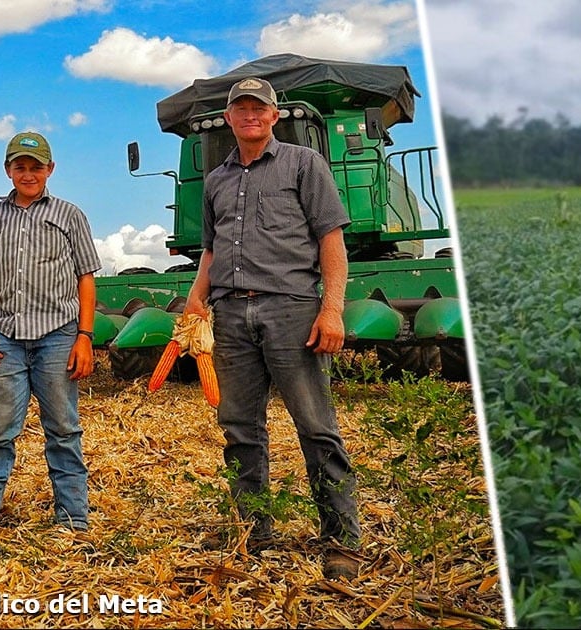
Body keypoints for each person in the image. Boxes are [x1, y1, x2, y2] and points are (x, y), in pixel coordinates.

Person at [182, 77, 363, 580]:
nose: (250, 115)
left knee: (316, 428)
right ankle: (255, 533)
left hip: (292, 310)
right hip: (233, 315)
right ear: (230, 117)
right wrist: (198, 298)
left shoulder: (304, 165)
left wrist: (332, 309)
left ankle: (341, 539)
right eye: (241, 108)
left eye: (259, 108)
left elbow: (331, 239)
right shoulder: (215, 180)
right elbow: (212, 249)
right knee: (240, 428)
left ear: (274, 115)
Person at [0, 131, 102, 534]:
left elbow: (85, 277)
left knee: (62, 428)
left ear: (50, 170)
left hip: (57, 335)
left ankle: (73, 520)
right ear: (8, 171)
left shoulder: (69, 215)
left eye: (35, 167)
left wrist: (84, 336)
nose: (28, 174)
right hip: (4, 336)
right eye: (19, 166)